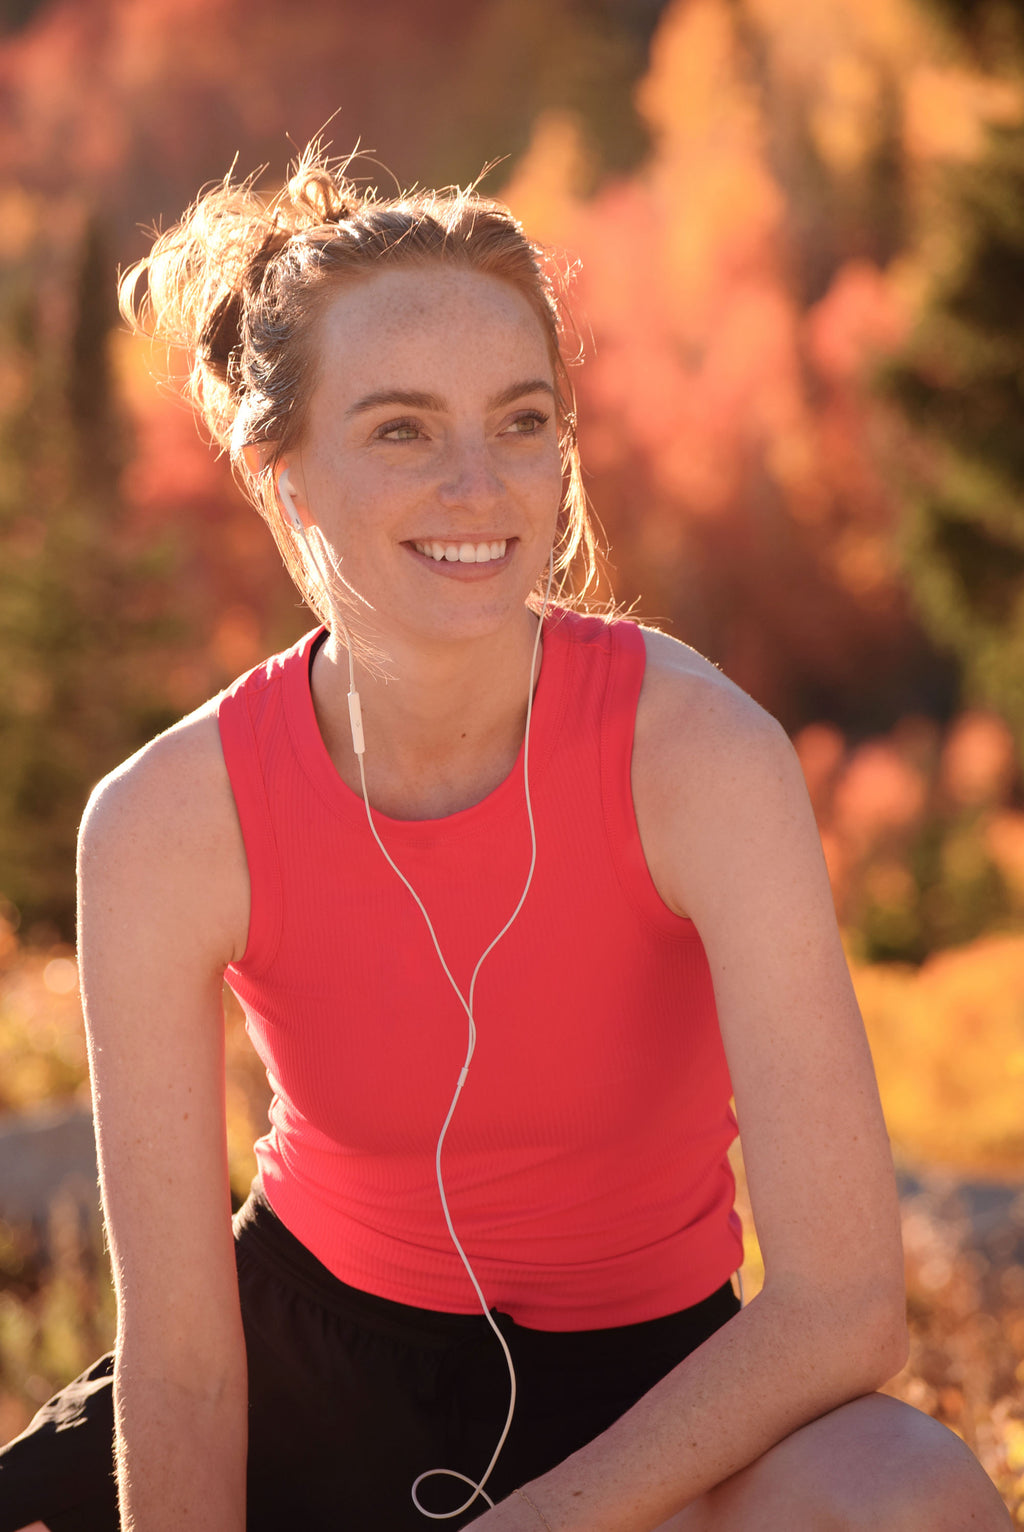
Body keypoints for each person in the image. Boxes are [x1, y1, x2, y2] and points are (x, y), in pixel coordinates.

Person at [0, 145, 1012, 1532]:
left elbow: (843, 1307)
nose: (480, 484)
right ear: (281, 466)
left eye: (521, 420)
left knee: (915, 1499)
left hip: (656, 1401)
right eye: (403, 428)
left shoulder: (703, 758)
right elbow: (183, 1367)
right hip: (303, 1371)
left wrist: (534, 1524)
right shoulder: (166, 822)